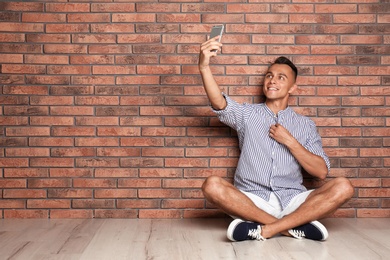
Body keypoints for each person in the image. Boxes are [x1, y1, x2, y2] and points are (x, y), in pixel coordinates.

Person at [198, 36, 354, 242]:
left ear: (292, 88)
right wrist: (204, 67)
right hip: (251, 200)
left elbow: (321, 172)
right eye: (269, 76)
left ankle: (263, 228)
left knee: (343, 186)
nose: (272, 80)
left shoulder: (305, 125)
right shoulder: (247, 114)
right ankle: (290, 227)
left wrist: (290, 141)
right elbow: (219, 102)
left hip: (293, 201)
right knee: (212, 185)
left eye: (281, 77)